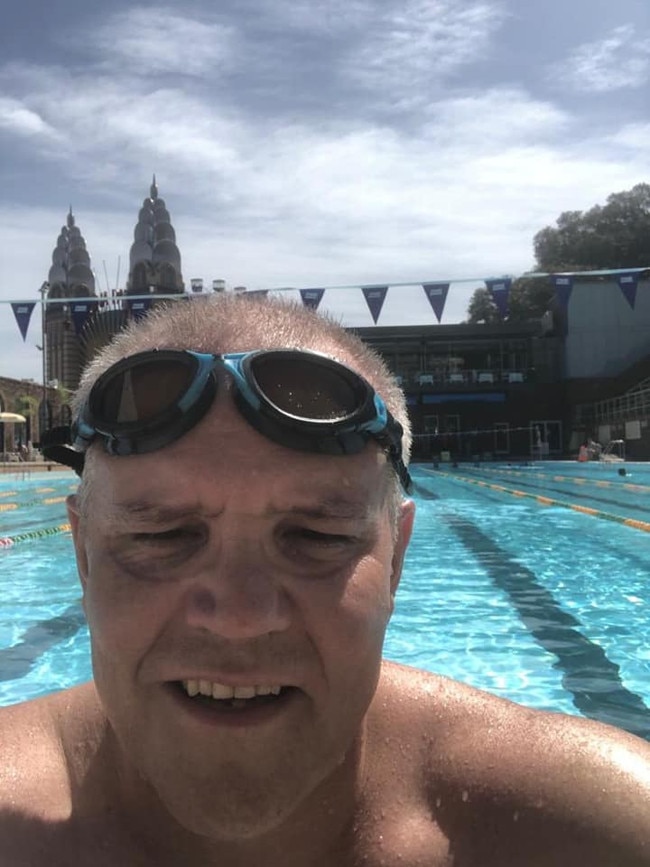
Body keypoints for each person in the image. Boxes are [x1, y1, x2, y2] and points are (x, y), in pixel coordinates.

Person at [1, 294, 649, 867]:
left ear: (395, 559)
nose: (239, 615)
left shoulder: (593, 826)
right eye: (161, 536)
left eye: (316, 537)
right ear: (82, 554)